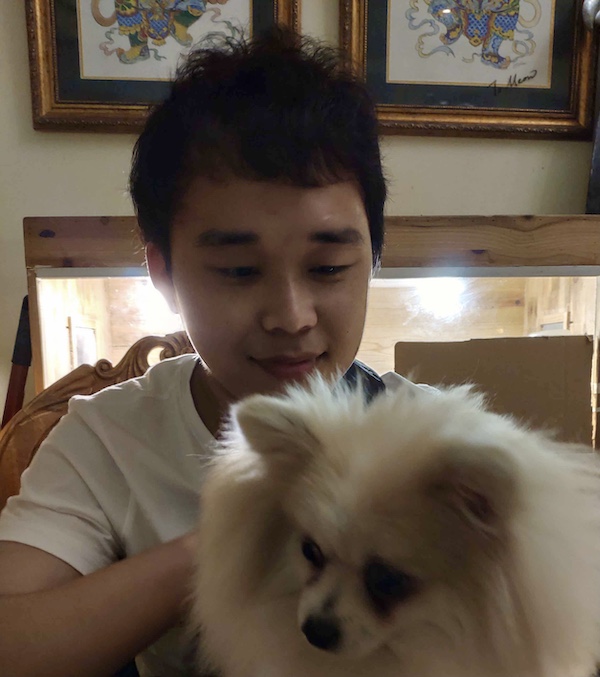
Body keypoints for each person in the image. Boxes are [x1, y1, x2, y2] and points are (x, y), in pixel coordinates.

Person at [0, 26, 389, 677]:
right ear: (164, 274)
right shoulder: (109, 439)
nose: (291, 317)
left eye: (327, 268)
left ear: (373, 258)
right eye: (239, 271)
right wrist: (229, 540)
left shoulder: (429, 439)